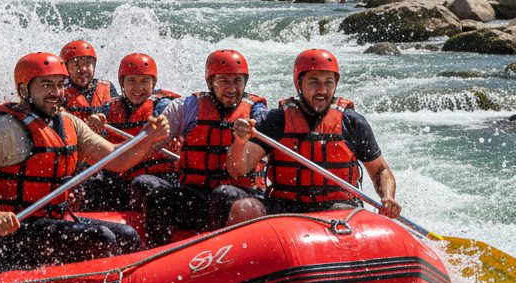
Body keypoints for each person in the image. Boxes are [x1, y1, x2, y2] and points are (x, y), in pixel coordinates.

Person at [0, 52, 170, 270]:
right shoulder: (0, 130)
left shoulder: (69, 123)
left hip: (54, 220)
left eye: (60, 84)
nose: (56, 92)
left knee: (127, 236)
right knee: (102, 238)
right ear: (24, 89)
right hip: (12, 233)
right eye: (46, 85)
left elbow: (115, 159)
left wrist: (146, 138)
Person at [226, 48, 401, 220]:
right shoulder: (277, 120)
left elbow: (380, 170)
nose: (322, 90)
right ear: (300, 83)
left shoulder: (352, 122)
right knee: (244, 208)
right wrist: (240, 142)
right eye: (314, 82)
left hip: (339, 208)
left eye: (328, 83)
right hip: (285, 207)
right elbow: (237, 169)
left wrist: (388, 197)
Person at [134, 49, 269, 245]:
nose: (232, 88)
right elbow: (153, 146)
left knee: (224, 194)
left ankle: (215, 254)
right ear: (211, 82)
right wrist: (148, 138)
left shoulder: (257, 111)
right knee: (157, 199)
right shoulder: (187, 107)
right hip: (198, 196)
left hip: (242, 198)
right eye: (224, 81)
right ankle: (156, 255)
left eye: (238, 81)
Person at [80, 53, 180, 212]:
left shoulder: (164, 105)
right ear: (122, 83)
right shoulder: (108, 108)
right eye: (131, 81)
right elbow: (94, 128)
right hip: (125, 176)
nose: (138, 88)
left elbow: (166, 122)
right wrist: (94, 125)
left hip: (161, 178)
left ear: (153, 83)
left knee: (143, 183)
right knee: (89, 181)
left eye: (145, 81)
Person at [59, 40, 118, 120]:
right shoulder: (61, 93)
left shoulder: (108, 87)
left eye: (87, 63)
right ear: (66, 69)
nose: (83, 69)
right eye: (76, 65)